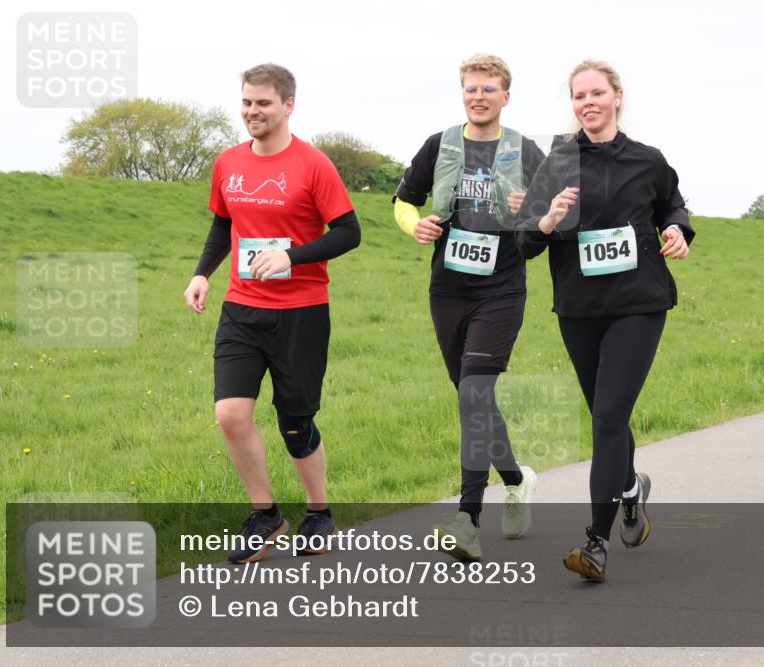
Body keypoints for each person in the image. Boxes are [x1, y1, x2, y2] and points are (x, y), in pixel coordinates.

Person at [517, 60, 694, 581]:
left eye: (596, 93)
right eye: (578, 96)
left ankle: (595, 542)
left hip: (639, 302)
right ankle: (631, 487)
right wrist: (547, 220)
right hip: (579, 307)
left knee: (607, 418)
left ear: (617, 96)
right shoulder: (556, 163)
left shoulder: (648, 160)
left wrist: (680, 232)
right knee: (604, 411)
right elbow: (525, 238)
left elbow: (673, 208)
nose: (587, 103)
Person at [183, 63, 361, 563]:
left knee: (295, 423)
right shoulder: (228, 164)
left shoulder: (312, 165)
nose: (252, 111)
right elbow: (223, 227)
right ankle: (266, 515)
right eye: (246, 102)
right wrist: (202, 274)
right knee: (230, 414)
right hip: (242, 308)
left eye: (262, 103)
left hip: (301, 312)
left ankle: (319, 512)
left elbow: (349, 232)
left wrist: (292, 255)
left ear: (287, 106)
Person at [394, 54, 545, 561]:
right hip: (448, 289)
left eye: (488, 88)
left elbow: (557, 217)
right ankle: (516, 479)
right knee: (471, 397)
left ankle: (467, 519)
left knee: (475, 392)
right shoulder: (440, 145)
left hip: (501, 290)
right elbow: (403, 199)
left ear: (506, 95)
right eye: (469, 88)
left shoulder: (525, 150)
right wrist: (413, 225)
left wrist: (537, 211)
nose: (478, 96)